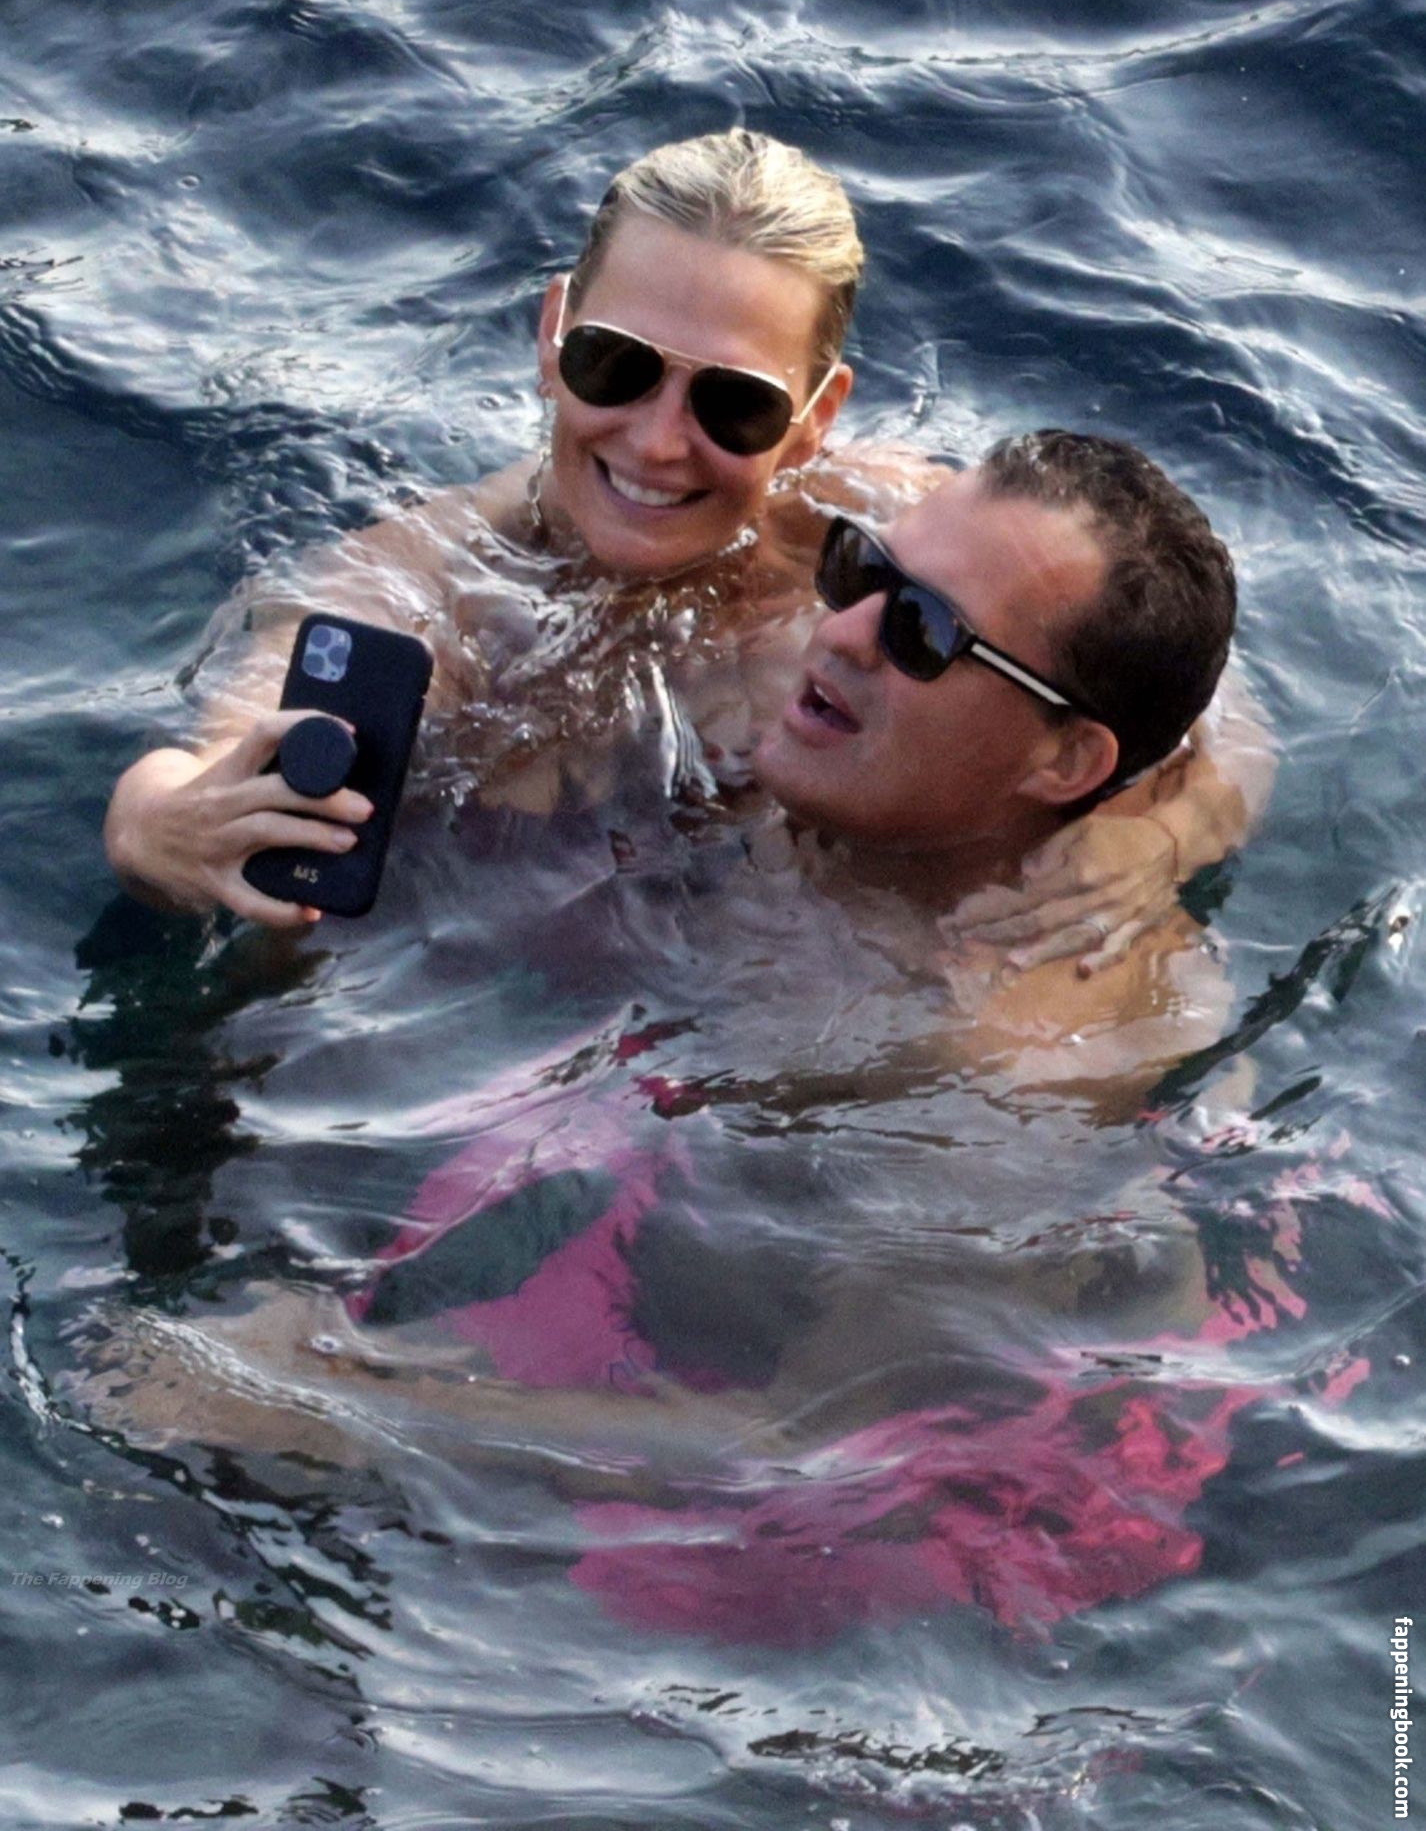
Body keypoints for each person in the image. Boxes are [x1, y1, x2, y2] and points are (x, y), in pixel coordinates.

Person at [74, 432, 1352, 1646]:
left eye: (921, 631)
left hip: (924, 1504)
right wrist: (165, 807)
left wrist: (333, 1402)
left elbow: (810, 1447)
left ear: (1068, 762)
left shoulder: (1007, 1063)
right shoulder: (853, 772)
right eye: (860, 568)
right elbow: (541, 514)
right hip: (693, 1216)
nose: (837, 627)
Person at [102, 130, 1264, 963]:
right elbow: (214, 765)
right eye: (615, 365)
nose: (658, 442)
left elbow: (1205, 700)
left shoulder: (874, 531)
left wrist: (1162, 841)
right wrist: (156, 826)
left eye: (735, 405)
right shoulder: (431, 586)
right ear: (553, 337)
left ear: (816, 415)